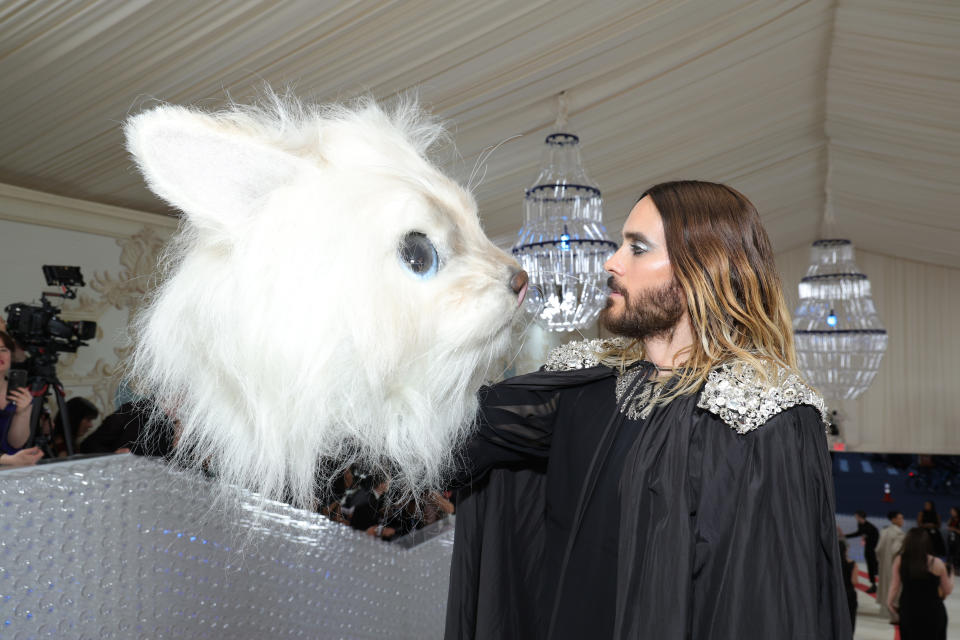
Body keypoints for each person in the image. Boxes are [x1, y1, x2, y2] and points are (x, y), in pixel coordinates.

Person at [445, 181, 850, 639]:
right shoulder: (584, 385)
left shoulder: (763, 416)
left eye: (637, 248)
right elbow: (444, 437)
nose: (612, 262)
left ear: (703, 268)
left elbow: (769, 607)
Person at [887, 527, 953, 640]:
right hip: (933, 611)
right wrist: (950, 575)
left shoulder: (900, 560)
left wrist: (889, 602)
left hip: (908, 609)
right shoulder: (936, 563)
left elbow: (894, 585)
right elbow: (947, 590)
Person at [0, 331, 42, 466]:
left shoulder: (20, 393)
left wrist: (22, 413)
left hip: (11, 469)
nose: (0, 355)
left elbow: (16, 443)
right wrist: (8, 460)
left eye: (3, 350)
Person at [876, 510, 906, 621]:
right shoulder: (900, 534)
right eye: (900, 518)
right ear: (893, 519)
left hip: (884, 565)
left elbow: (878, 550)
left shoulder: (884, 532)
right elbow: (896, 550)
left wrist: (882, 561)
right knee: (895, 589)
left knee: (885, 586)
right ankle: (894, 613)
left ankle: (884, 610)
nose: (902, 520)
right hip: (895, 566)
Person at [845, 509, 880, 593]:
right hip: (868, 549)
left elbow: (876, 539)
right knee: (870, 568)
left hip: (874, 550)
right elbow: (858, 533)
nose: (855, 518)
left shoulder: (870, 527)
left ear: (859, 517)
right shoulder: (861, 525)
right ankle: (874, 585)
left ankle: (880, 585)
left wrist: (866, 538)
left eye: (856, 516)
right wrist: (845, 536)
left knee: (876, 568)